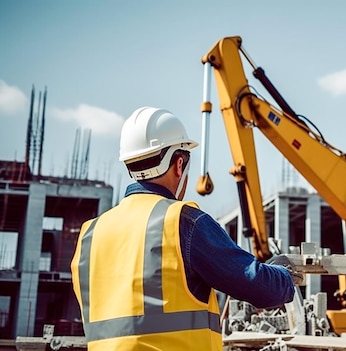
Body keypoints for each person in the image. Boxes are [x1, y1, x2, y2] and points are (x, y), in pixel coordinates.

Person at [71, 106, 301, 350]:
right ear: (179, 164)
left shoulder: (90, 234)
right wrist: (285, 277)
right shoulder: (182, 222)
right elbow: (256, 285)